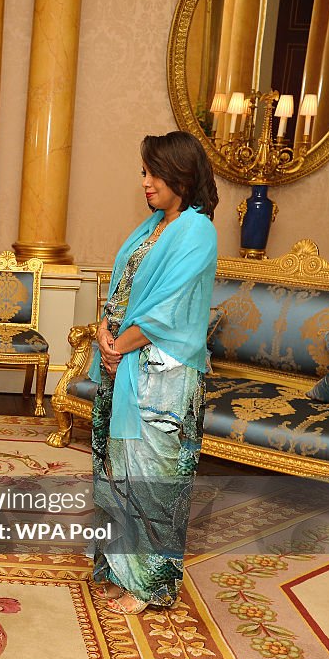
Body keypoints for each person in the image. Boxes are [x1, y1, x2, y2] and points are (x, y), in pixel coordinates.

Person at [89, 130, 218, 616]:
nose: (144, 181)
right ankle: (122, 570)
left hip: (162, 378)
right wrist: (104, 329)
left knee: (153, 478)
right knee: (118, 469)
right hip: (122, 364)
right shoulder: (152, 227)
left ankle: (149, 586)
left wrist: (118, 347)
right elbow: (122, 285)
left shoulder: (196, 231)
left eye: (152, 172)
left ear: (180, 174)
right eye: (143, 171)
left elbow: (166, 309)